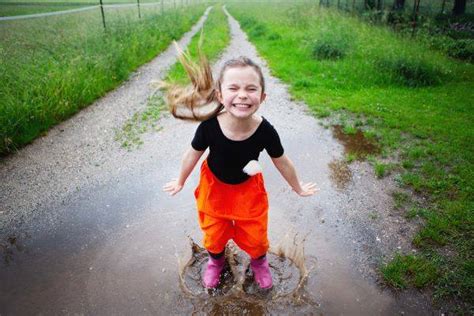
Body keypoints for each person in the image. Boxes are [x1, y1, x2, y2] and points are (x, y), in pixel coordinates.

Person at [162, 44, 318, 290]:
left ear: (262, 97)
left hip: (248, 190)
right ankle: (216, 261)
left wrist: (297, 187)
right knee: (213, 234)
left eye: (251, 88)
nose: (243, 94)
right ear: (220, 96)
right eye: (234, 88)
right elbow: (192, 154)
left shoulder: (265, 131)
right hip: (214, 188)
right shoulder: (209, 127)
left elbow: (282, 161)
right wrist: (180, 180)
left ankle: (258, 262)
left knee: (256, 235)